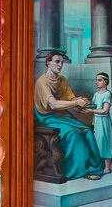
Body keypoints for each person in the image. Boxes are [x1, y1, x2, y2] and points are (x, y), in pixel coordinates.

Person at [33, 50, 103, 181]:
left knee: (87, 131)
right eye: (57, 62)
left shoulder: (62, 80)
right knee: (73, 133)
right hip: (46, 118)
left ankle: (94, 167)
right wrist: (76, 102)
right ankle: (77, 170)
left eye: (61, 62)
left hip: (61, 115)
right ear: (48, 63)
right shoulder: (42, 82)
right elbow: (53, 105)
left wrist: (81, 102)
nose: (60, 65)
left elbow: (71, 99)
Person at [89, 71, 112, 174]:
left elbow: (105, 110)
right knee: (98, 142)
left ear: (106, 81)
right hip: (96, 121)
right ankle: (109, 165)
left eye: (99, 80)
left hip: (104, 121)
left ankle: (108, 167)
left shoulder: (107, 94)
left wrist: (90, 110)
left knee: (105, 142)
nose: (97, 82)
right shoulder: (96, 94)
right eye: (96, 80)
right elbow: (93, 105)